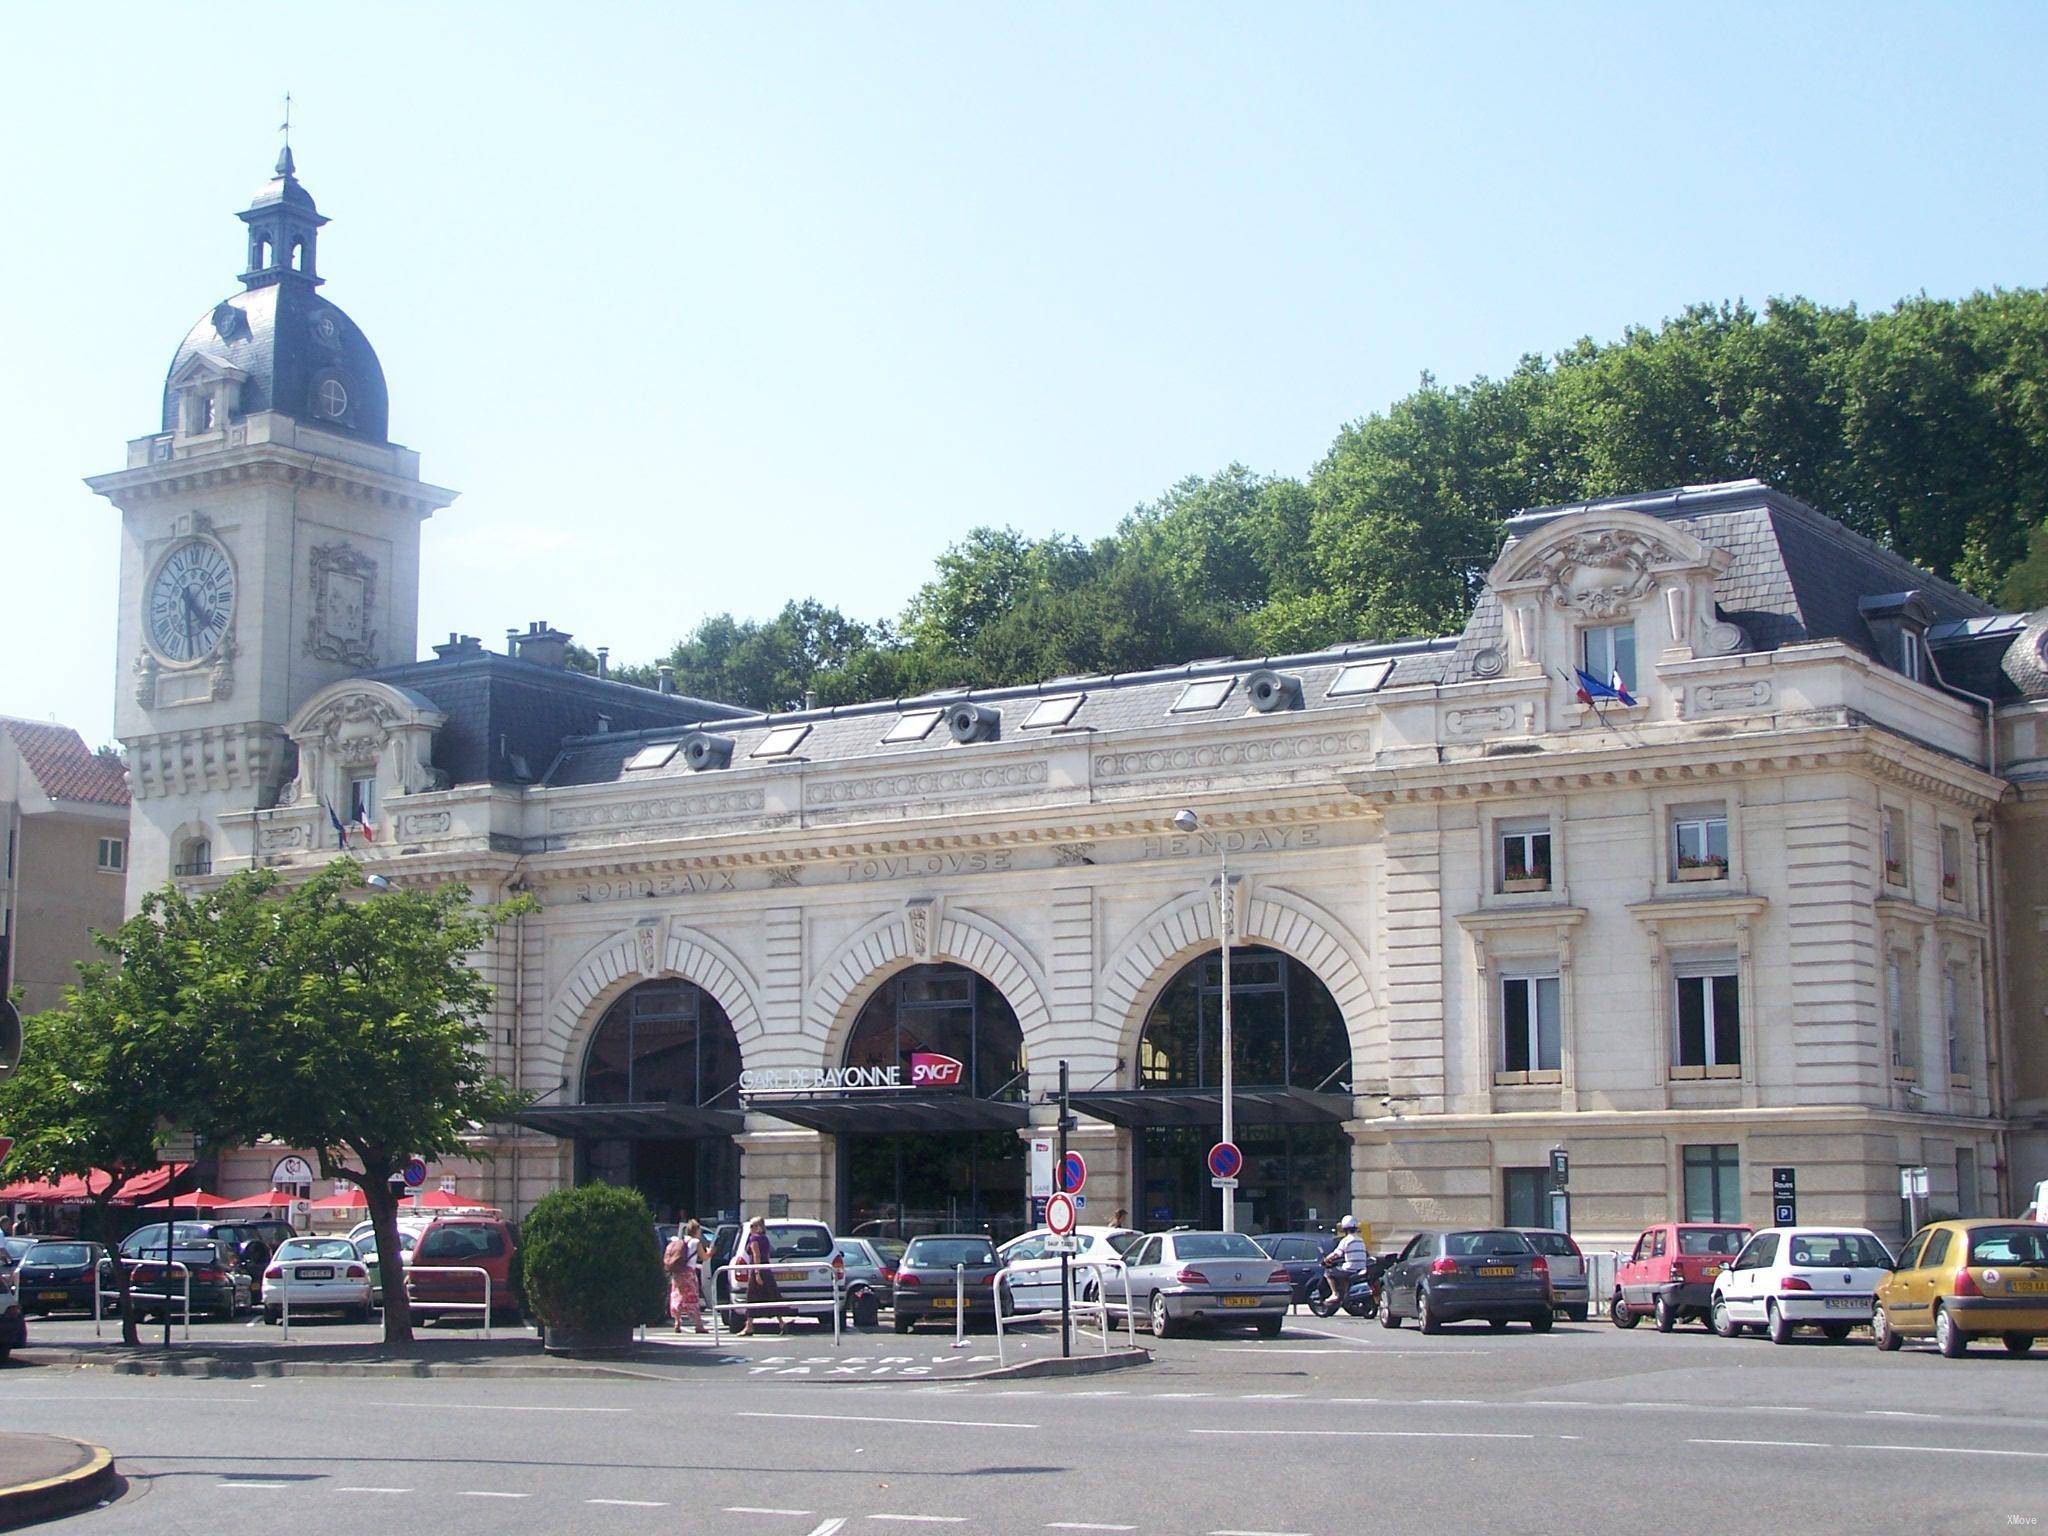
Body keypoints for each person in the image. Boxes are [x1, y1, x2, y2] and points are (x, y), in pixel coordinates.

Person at [737, 1215, 786, 1337]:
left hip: (757, 1269)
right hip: (766, 1269)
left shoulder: (754, 1239)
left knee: (751, 1297)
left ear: (758, 1227)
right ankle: (781, 1322)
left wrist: (757, 1273)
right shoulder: (765, 1238)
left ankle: (749, 1326)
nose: (750, 1228)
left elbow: (756, 1256)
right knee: (772, 1295)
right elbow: (767, 1255)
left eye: (752, 1226)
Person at [664, 1219, 707, 1333]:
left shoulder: (680, 1241)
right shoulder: (696, 1242)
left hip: (677, 1272)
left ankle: (677, 1322)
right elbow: (704, 1257)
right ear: (696, 1230)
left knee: (677, 1296)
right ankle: (698, 1325)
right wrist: (711, 1252)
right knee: (692, 1298)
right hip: (688, 1273)